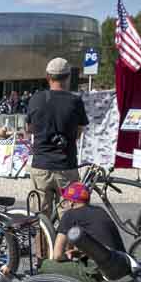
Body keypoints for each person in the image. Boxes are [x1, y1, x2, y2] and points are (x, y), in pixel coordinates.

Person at [26, 57, 89, 220]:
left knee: (40, 219)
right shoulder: (75, 102)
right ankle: (64, 246)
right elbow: (79, 132)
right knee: (69, 218)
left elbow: (29, 129)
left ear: (48, 76)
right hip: (66, 166)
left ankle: (43, 245)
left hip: (41, 166)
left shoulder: (36, 99)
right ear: (68, 77)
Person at [39, 182, 125, 282]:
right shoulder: (100, 211)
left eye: (65, 201)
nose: (64, 205)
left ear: (72, 203)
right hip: (121, 278)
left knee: (45, 266)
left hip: (101, 279)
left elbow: (57, 255)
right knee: (91, 265)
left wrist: (66, 257)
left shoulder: (69, 215)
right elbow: (102, 244)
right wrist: (79, 253)